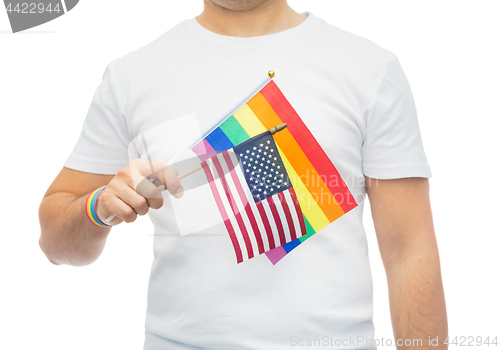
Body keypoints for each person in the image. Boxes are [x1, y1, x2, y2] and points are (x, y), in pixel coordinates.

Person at [38, 0, 448, 349]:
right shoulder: (131, 75)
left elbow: (410, 253)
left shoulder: (371, 69)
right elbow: (55, 243)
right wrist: (98, 208)